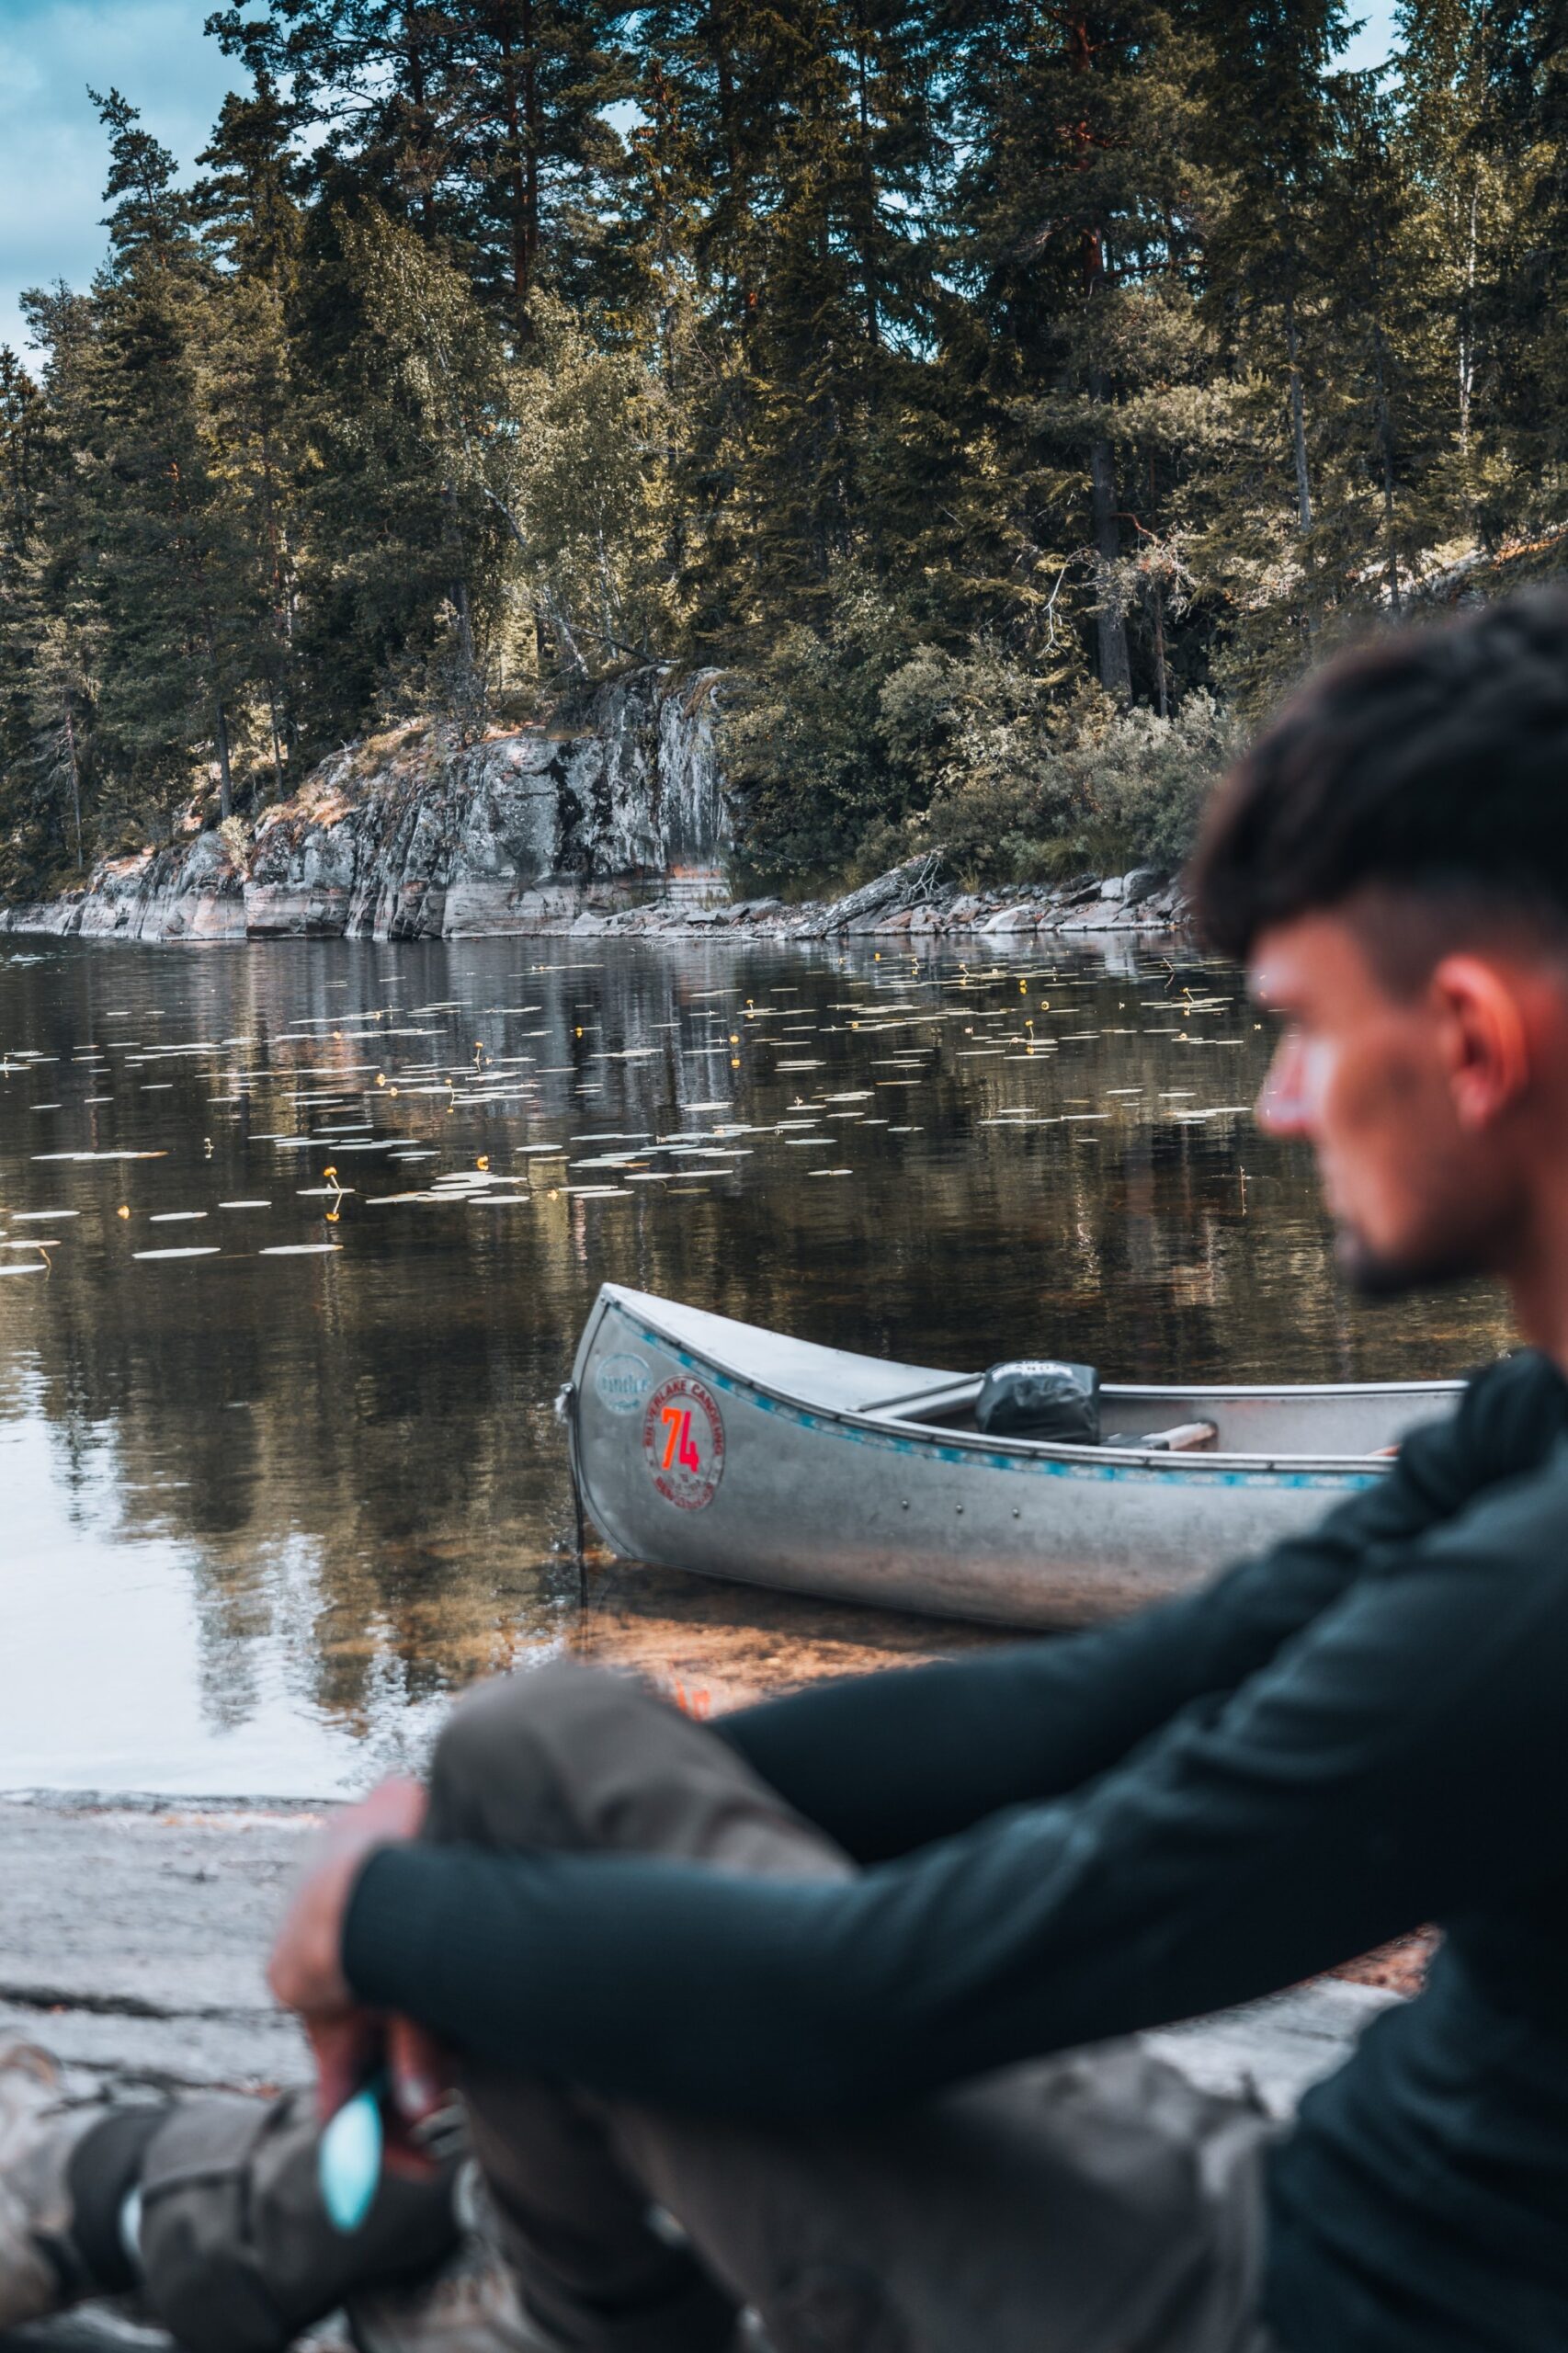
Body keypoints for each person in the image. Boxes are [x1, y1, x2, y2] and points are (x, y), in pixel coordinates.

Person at [8, 585, 1568, 2353]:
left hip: (1281, 2309)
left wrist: (392, 1916)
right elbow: (1117, 1697)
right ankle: (463, 2264)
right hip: (1316, 2222)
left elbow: (883, 2001)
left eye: (1299, 1027)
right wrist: (473, 1832)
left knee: (522, 1901)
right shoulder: (1535, 1433)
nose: (1279, 1104)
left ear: (1470, 1040)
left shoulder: (1537, 1601)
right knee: (541, 1749)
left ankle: (208, 2211)